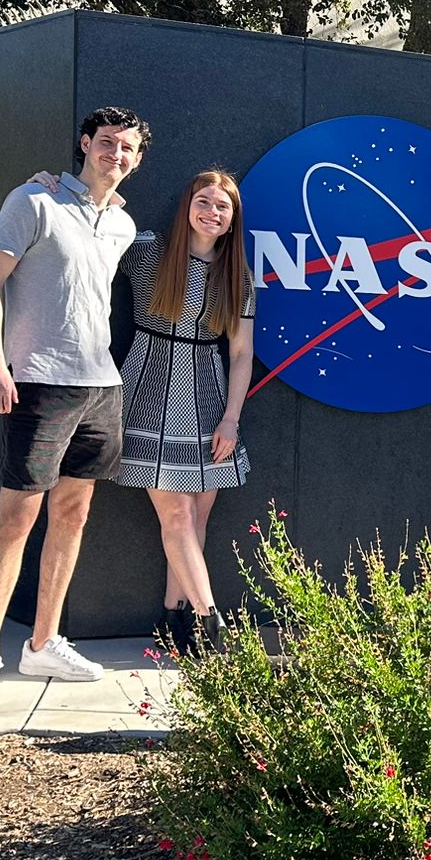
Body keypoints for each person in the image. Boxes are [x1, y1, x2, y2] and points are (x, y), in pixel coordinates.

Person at [0, 109, 145, 704]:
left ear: (136, 161)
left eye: (127, 149)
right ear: (85, 145)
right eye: (106, 143)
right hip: (39, 383)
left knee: (72, 514)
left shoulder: (121, 225)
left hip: (101, 386)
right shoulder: (33, 201)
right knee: (15, 519)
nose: (114, 155)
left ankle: (42, 645)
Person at [111, 169, 255, 650]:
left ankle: (176, 623)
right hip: (148, 386)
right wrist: (52, 183)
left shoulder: (236, 275)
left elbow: (240, 353)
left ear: (233, 219)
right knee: (175, 514)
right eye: (205, 201)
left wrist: (231, 418)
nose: (212, 213)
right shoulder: (149, 250)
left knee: (196, 521)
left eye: (223, 206)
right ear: (187, 204)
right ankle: (210, 621)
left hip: (208, 396)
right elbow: (97, 220)